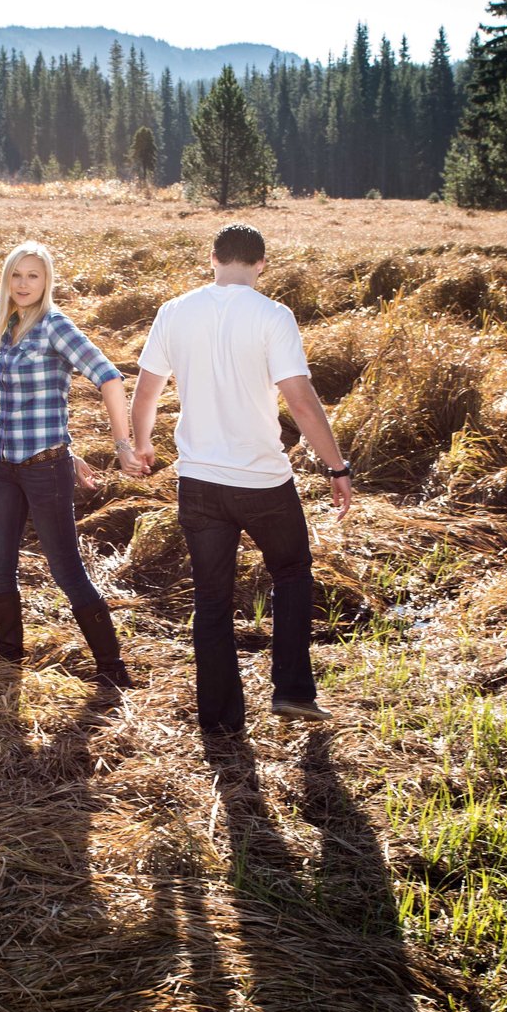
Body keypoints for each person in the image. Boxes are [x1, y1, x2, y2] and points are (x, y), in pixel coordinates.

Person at [126, 222, 353, 736]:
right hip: (262, 480)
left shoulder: (175, 311)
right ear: (261, 264)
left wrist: (141, 446)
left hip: (199, 481)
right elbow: (301, 401)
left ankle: (220, 721)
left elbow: (145, 393)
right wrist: (336, 466)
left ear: (212, 258)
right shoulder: (273, 315)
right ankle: (292, 690)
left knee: (210, 598)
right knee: (292, 573)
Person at [0, 238, 139, 687]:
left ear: (47, 281)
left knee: (65, 569)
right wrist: (72, 446)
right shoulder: (9, 325)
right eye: (17, 274)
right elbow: (28, 404)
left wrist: (122, 444)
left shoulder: (55, 325)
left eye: (34, 275)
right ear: (6, 280)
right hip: (1, 463)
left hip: (44, 467)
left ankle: (112, 670)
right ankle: (9, 664)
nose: (24, 283)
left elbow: (109, 377)